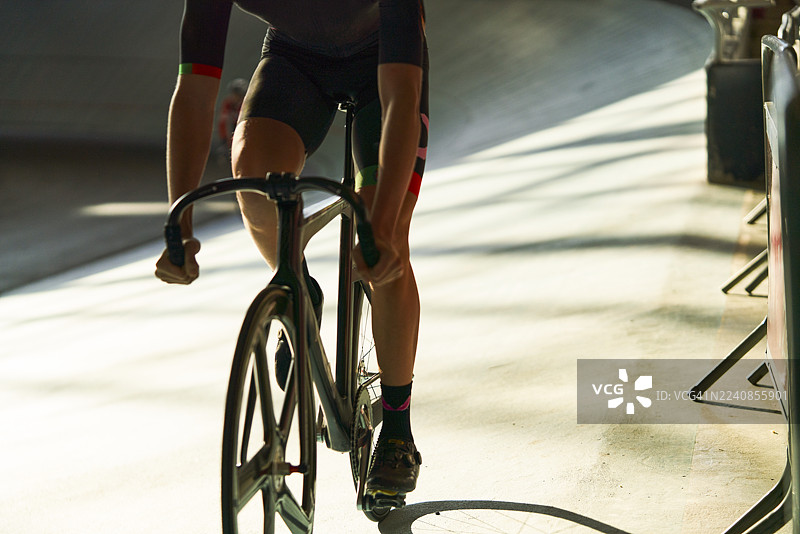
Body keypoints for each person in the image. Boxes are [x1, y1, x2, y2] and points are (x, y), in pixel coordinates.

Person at [154, 0, 429, 502]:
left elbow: (401, 99)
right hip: (294, 62)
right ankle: (299, 287)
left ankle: (397, 429)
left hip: (384, 66)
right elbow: (194, 91)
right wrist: (180, 223)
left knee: (383, 241)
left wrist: (384, 226)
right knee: (253, 174)